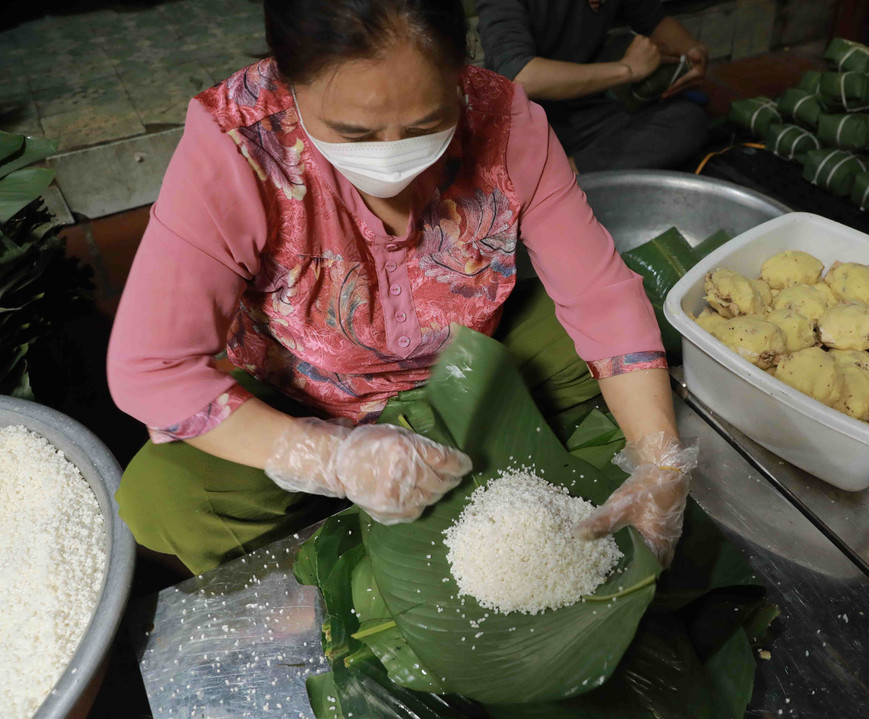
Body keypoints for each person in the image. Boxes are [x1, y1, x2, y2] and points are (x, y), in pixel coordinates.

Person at [107, 0, 695, 576]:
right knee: (164, 498)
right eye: (354, 133)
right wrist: (329, 458)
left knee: (641, 324)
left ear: (459, 72)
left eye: (425, 125)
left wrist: (659, 460)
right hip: (304, 396)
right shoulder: (240, 145)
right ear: (289, 82)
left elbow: (599, 296)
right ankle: (348, 552)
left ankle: (463, 462)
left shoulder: (504, 119)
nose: (394, 160)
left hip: (465, 371)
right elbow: (149, 369)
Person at [477, 0, 710, 172]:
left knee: (687, 120)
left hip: (586, 112)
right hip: (521, 119)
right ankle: (556, 178)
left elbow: (653, 19)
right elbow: (520, 75)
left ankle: (569, 171)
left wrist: (692, 50)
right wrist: (627, 69)